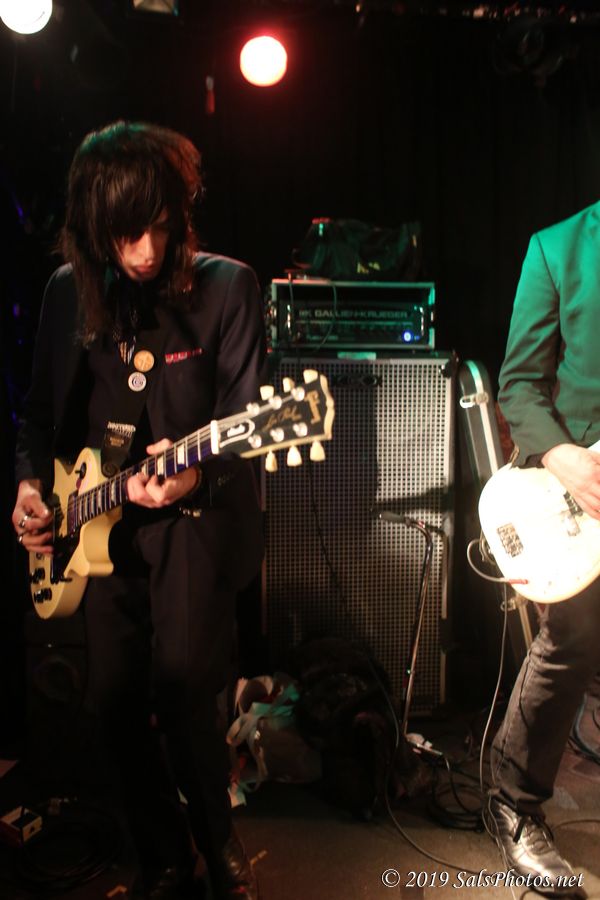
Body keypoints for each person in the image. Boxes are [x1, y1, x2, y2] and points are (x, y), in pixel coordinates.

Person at [11, 121, 266, 900]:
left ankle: (219, 848)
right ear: (95, 229)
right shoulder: (67, 292)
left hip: (192, 519)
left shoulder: (228, 287)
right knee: (111, 702)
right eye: (127, 234)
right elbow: (38, 415)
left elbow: (247, 421)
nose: (147, 251)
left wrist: (194, 476)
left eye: (159, 227)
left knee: (184, 689)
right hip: (95, 525)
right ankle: (162, 856)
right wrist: (27, 486)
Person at [485, 202, 600, 895]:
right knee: (571, 640)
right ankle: (514, 804)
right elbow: (519, 387)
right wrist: (563, 456)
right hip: (583, 492)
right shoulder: (558, 249)